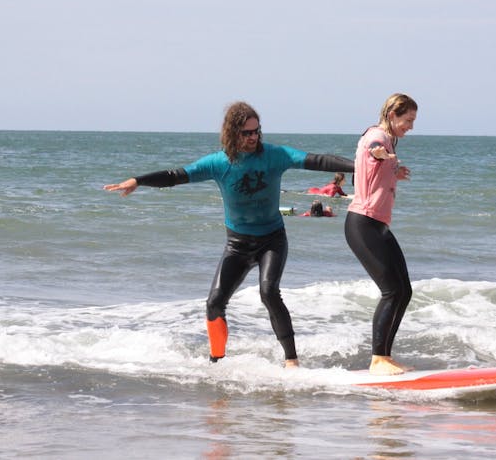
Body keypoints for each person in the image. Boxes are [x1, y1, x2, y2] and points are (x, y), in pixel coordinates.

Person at [104, 101, 353, 368]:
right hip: (237, 244)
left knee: (269, 292)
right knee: (214, 303)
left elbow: (315, 160)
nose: (254, 137)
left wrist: (357, 165)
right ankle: (217, 363)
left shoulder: (275, 155)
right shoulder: (217, 163)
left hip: (272, 239)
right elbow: (177, 175)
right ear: (233, 133)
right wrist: (139, 180)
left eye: (257, 131)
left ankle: (291, 359)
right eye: (247, 133)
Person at [344, 93, 417, 376]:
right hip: (363, 223)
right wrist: (383, 155)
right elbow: (374, 149)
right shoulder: (379, 137)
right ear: (392, 115)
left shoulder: (387, 139)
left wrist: (393, 171)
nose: (410, 126)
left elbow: (371, 170)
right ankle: (377, 359)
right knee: (391, 291)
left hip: (376, 225)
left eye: (413, 120)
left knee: (404, 290)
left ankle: (385, 356)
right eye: (407, 120)